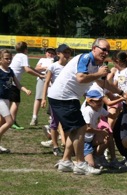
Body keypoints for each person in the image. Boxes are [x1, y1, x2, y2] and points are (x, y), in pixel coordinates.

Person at [48, 38, 122, 175]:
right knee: (81, 128)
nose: (106, 53)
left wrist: (122, 93)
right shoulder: (86, 58)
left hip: (68, 97)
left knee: (74, 131)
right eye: (103, 49)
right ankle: (80, 163)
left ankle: (65, 161)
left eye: (108, 51)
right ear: (94, 48)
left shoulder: (96, 65)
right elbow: (81, 78)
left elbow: (104, 84)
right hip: (63, 97)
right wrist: (99, 74)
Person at [41, 44, 72, 156]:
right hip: (55, 98)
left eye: (68, 53)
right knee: (55, 123)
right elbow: (46, 82)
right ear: (58, 54)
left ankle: (68, 146)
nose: (67, 55)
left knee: (68, 123)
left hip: (68, 98)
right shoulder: (53, 67)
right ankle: (55, 146)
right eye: (65, 53)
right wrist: (44, 98)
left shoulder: (71, 67)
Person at [0, 49, 31, 153]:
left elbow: (17, 84)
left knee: (2, 122)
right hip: (0, 100)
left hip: (6, 99)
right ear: (0, 59)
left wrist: (25, 90)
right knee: (9, 122)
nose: (9, 60)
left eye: (10, 58)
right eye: (6, 58)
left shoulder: (10, 71)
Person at [9, 41, 44, 130]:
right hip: (14, 82)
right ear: (25, 49)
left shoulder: (17, 55)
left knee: (10, 102)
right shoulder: (24, 56)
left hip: (9, 80)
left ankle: (9, 121)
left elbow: (28, 67)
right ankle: (12, 122)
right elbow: (27, 70)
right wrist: (39, 75)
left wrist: (39, 73)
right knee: (15, 102)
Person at [81, 90, 115, 168]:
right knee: (91, 165)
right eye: (97, 101)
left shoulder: (99, 109)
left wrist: (117, 110)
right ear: (89, 101)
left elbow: (110, 115)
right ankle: (81, 159)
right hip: (84, 140)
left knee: (108, 137)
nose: (100, 103)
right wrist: (101, 132)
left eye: (101, 100)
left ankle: (96, 156)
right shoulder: (88, 111)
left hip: (92, 137)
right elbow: (86, 129)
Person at [30, 47, 56, 126]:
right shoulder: (42, 59)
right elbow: (36, 68)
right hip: (42, 78)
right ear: (46, 53)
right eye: (48, 52)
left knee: (52, 98)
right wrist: (44, 68)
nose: (50, 54)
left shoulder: (55, 60)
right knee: (38, 98)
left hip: (52, 80)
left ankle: (51, 118)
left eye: (52, 53)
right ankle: (34, 117)